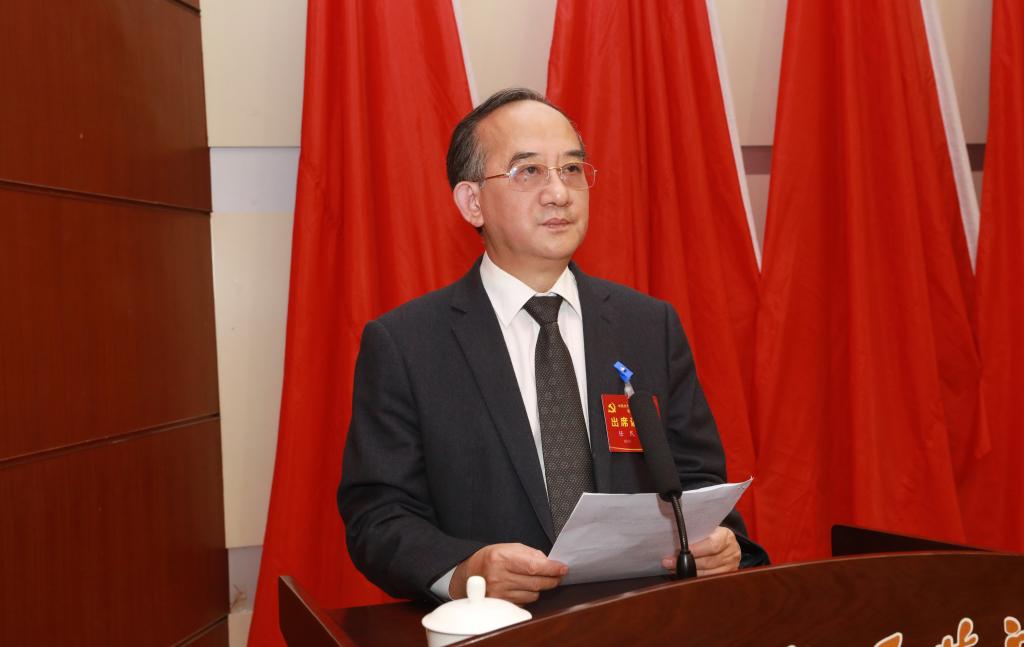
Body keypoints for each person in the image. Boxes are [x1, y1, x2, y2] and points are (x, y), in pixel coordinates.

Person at [338, 88, 768, 604]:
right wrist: (463, 571)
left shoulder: (648, 325)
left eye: (571, 169)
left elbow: (697, 482)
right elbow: (379, 515)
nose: (559, 193)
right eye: (529, 172)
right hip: (498, 626)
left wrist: (722, 542)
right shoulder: (407, 344)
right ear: (472, 201)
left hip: (642, 620)